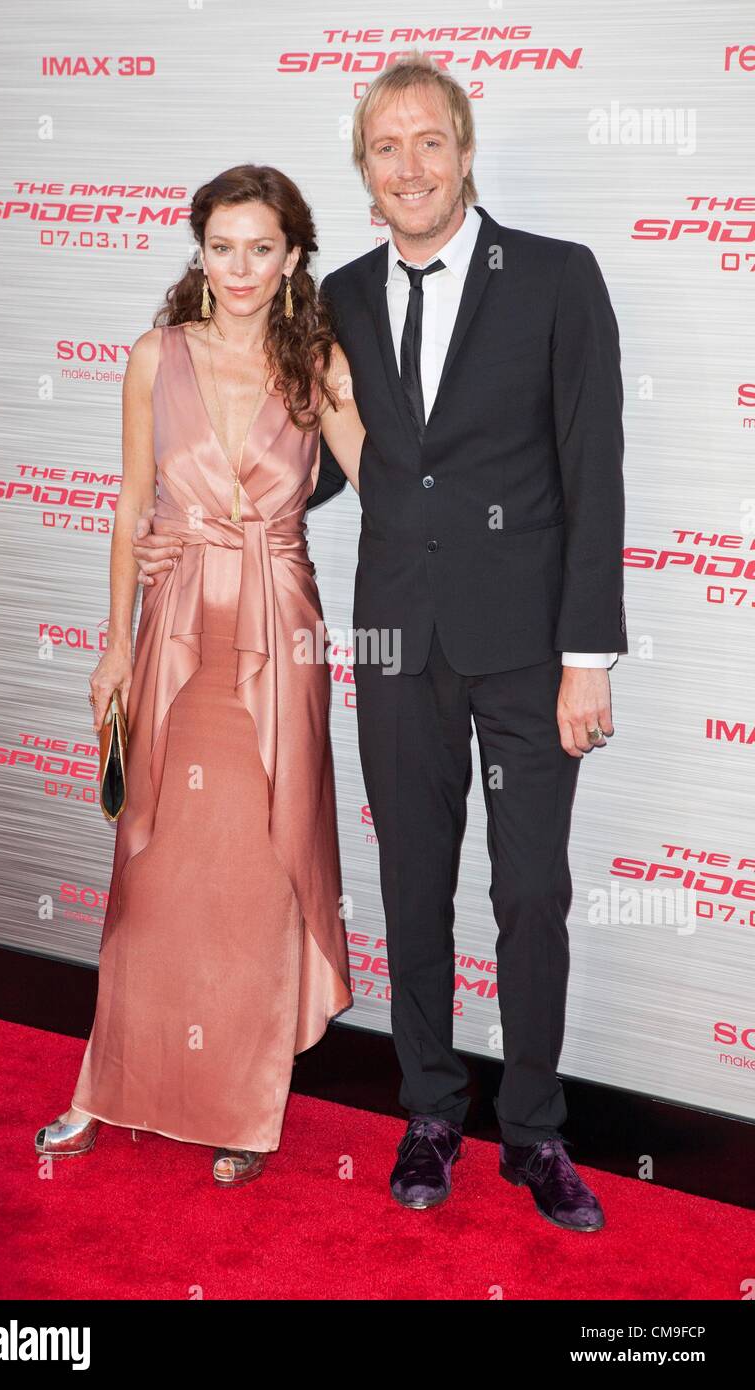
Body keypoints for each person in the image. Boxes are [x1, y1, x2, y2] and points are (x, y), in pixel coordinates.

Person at [134, 55, 627, 1227]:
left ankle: (539, 1132)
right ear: (366, 177)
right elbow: (312, 461)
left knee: (531, 894)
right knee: (412, 880)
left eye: (429, 143)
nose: (410, 166)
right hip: (397, 640)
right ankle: (428, 1112)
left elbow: (592, 477)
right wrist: (191, 527)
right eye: (386, 148)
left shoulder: (557, 280)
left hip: (525, 651)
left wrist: (586, 659)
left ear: (464, 153)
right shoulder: (338, 299)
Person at [34, 165, 364, 1185]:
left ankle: (242, 1102)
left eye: (261, 247)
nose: (241, 268)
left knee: (258, 874)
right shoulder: (154, 356)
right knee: (154, 877)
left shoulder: (320, 364)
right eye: (223, 246)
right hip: (175, 636)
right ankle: (109, 1083)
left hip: (278, 635)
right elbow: (132, 506)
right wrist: (113, 642)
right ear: (199, 249)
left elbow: (398, 479)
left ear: (294, 256)